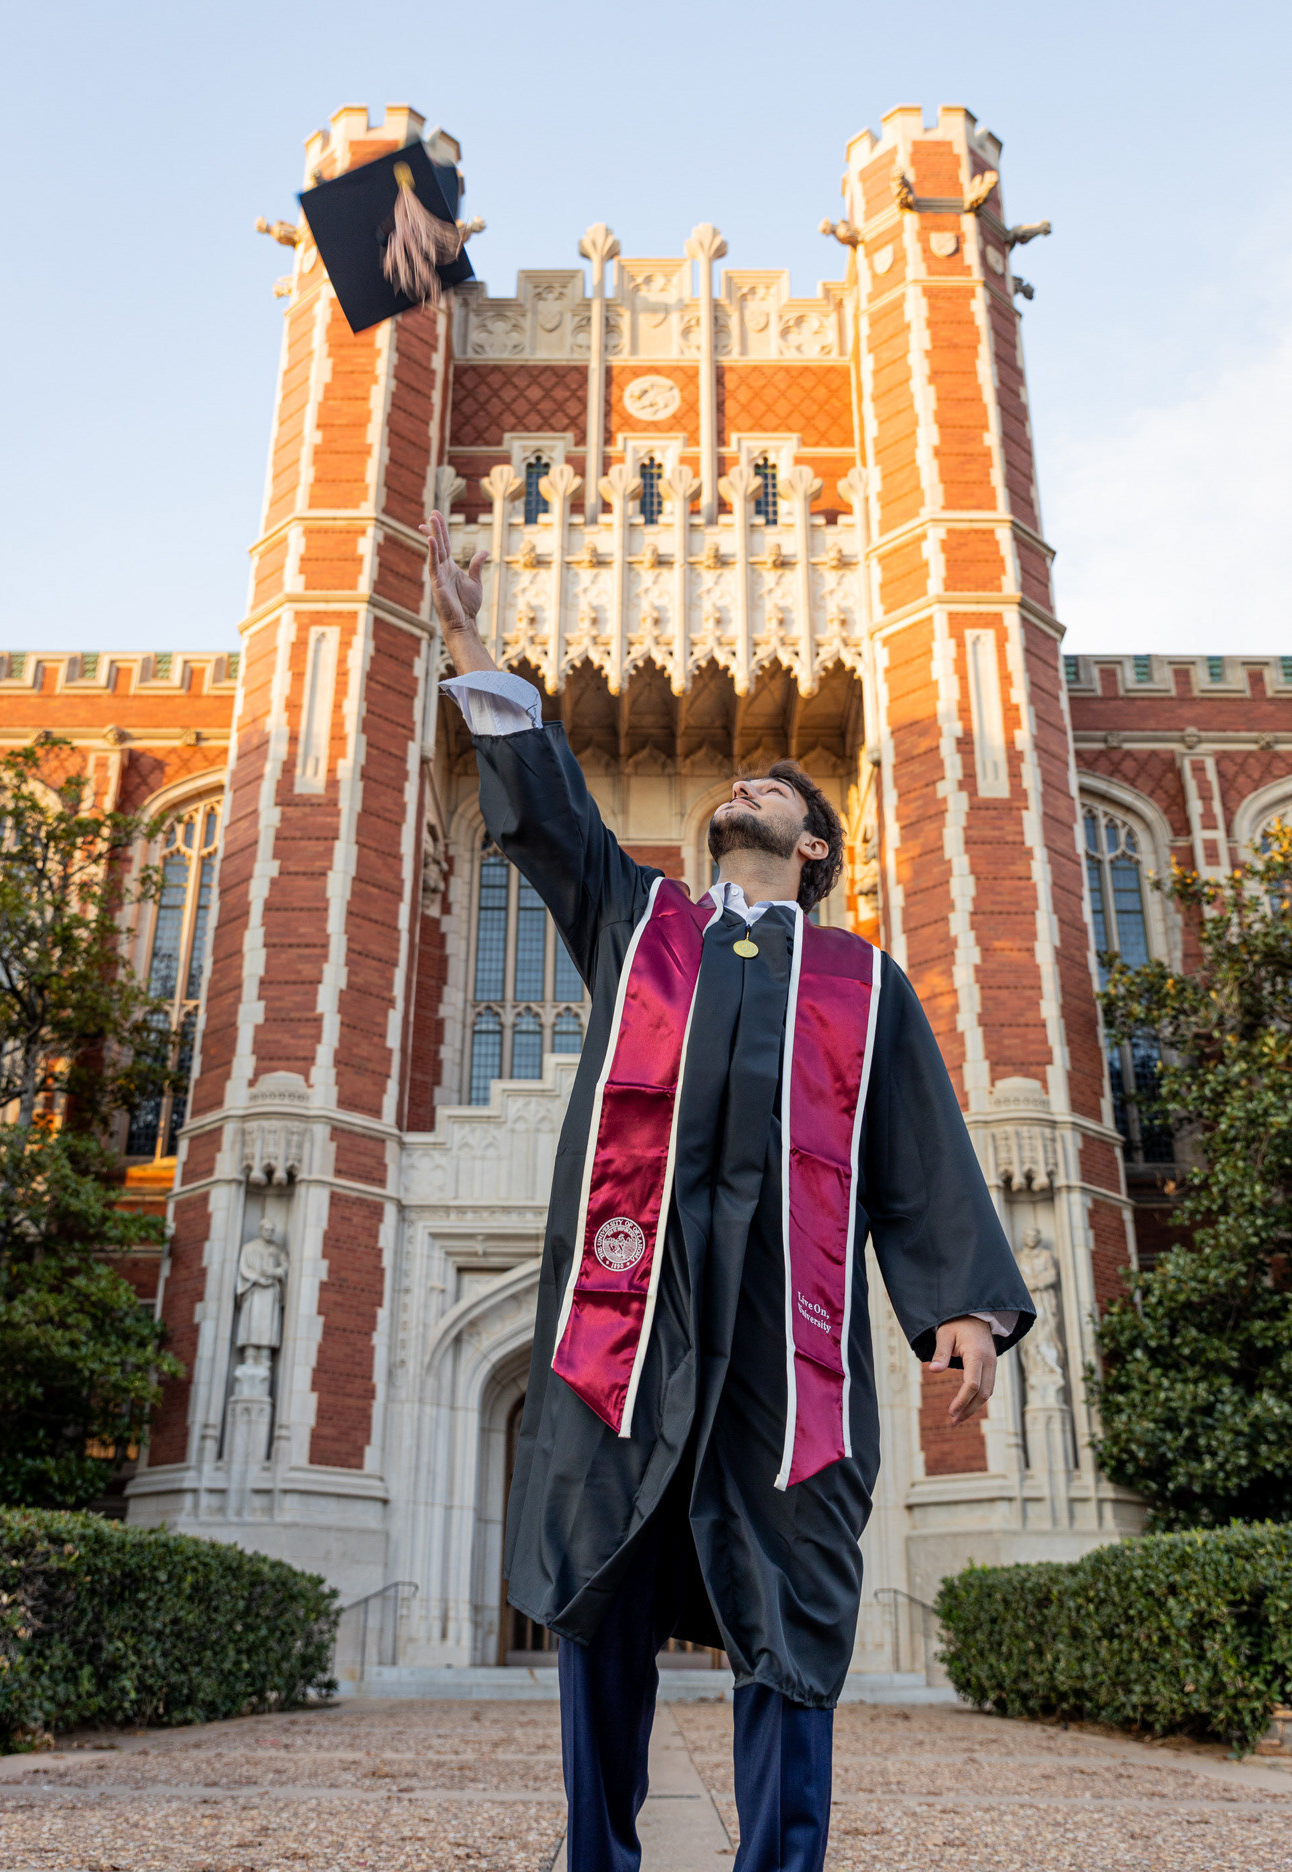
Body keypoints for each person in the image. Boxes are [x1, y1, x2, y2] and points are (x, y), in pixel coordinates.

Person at [425, 512, 1035, 1872]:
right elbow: (549, 817)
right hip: (625, 1309)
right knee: (601, 1584)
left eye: (776, 787)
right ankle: (598, 1857)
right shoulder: (640, 920)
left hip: (781, 1331)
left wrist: (963, 1306)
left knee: (789, 1597)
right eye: (739, 782)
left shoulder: (860, 981)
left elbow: (919, 1154)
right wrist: (472, 644)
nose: (746, 786)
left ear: (813, 847)